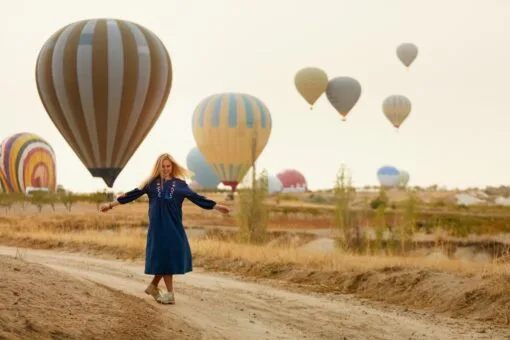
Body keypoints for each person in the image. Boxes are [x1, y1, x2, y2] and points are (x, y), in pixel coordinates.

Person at [99, 153, 230, 305]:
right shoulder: (151, 184)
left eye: (169, 166)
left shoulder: (180, 184)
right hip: (157, 228)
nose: (166, 169)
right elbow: (130, 195)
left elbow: (197, 198)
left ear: (172, 167)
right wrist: (109, 205)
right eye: (163, 166)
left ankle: (155, 286)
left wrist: (217, 206)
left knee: (170, 257)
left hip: (174, 227)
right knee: (165, 258)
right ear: (158, 167)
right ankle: (168, 293)